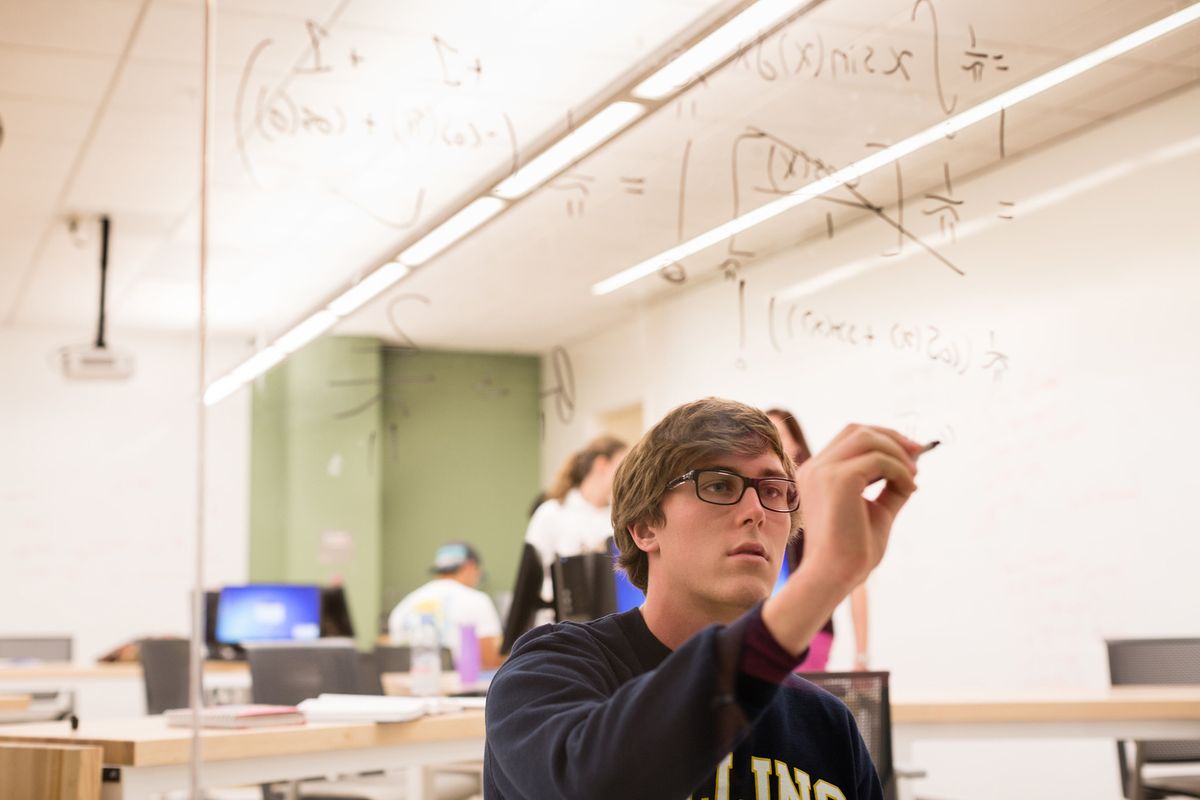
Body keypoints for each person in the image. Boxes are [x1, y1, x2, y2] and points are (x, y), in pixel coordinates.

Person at [484, 397, 922, 799]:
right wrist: (823, 579)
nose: (756, 511)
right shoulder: (549, 670)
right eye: (718, 486)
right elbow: (595, 786)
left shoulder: (826, 722)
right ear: (645, 527)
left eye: (772, 491)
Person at [767, 407, 871, 672]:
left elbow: (856, 579)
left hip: (811, 629)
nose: (771, 447)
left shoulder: (820, 500)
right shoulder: (759, 505)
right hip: (766, 626)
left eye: (778, 437)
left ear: (796, 444)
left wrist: (861, 655)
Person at [524, 434, 627, 603]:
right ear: (601, 464)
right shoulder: (551, 513)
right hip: (561, 619)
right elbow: (533, 580)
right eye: (622, 465)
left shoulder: (620, 517)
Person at [387, 541, 505, 669]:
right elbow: (490, 662)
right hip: (459, 688)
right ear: (471, 566)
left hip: (407, 686)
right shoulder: (478, 601)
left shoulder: (404, 606)